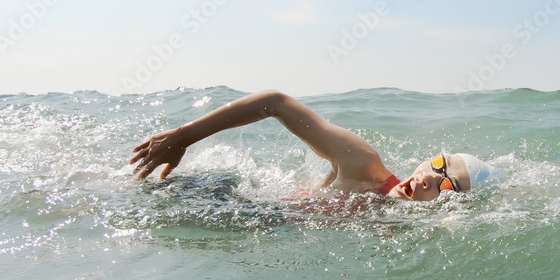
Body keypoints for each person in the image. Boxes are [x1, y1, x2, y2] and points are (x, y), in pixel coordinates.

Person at [129, 90, 491, 200]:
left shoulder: (393, 226)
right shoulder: (365, 166)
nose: (429, 178)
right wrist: (182, 138)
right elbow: (276, 103)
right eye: (437, 164)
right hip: (218, 196)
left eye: (447, 184)